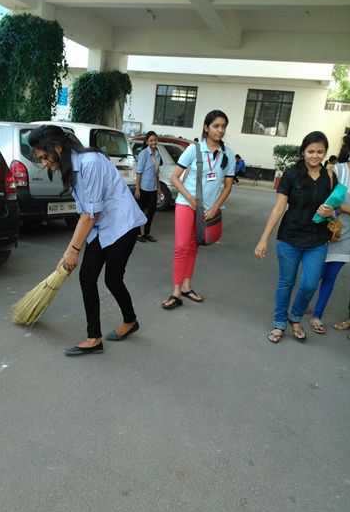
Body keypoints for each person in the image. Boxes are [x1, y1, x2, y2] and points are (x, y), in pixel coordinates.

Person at [28, 125, 146, 356]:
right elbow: (87, 214)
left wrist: (73, 251)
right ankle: (94, 338)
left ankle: (130, 321)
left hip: (122, 226)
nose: (43, 163)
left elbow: (91, 215)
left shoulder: (90, 163)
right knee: (87, 277)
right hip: (100, 228)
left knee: (113, 280)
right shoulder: (72, 167)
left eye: (43, 157)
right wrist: (68, 253)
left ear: (57, 148)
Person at [255, 131, 337, 343]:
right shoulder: (291, 174)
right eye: (311, 151)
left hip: (317, 240)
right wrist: (264, 239)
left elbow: (334, 207)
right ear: (303, 152)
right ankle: (279, 323)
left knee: (310, 284)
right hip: (289, 238)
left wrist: (332, 212)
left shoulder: (329, 177)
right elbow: (278, 208)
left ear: (325, 153)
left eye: (320, 152)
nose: (315, 155)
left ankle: (296, 317)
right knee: (286, 283)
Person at [161, 110, 235, 309]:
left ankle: (187, 286)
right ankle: (176, 291)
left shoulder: (228, 154)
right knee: (181, 246)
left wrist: (215, 208)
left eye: (223, 126)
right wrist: (190, 199)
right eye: (216, 126)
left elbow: (228, 186)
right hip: (187, 204)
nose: (220, 130)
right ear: (206, 128)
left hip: (208, 209)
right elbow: (174, 177)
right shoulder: (194, 150)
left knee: (194, 246)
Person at [309, 132, 350, 333]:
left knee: (330, 277)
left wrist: (343, 208)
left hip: (347, 237)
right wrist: (333, 211)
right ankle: (301, 306)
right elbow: (321, 199)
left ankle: (317, 316)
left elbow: (339, 206)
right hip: (324, 233)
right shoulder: (336, 170)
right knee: (313, 276)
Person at [135, 130, 161, 243]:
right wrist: (137, 189)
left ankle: (147, 233)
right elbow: (139, 172)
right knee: (140, 211)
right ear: (147, 142)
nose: (153, 142)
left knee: (151, 211)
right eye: (151, 140)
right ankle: (137, 233)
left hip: (153, 188)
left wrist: (159, 187)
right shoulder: (144, 154)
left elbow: (156, 172)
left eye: (155, 140)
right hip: (143, 188)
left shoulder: (157, 153)